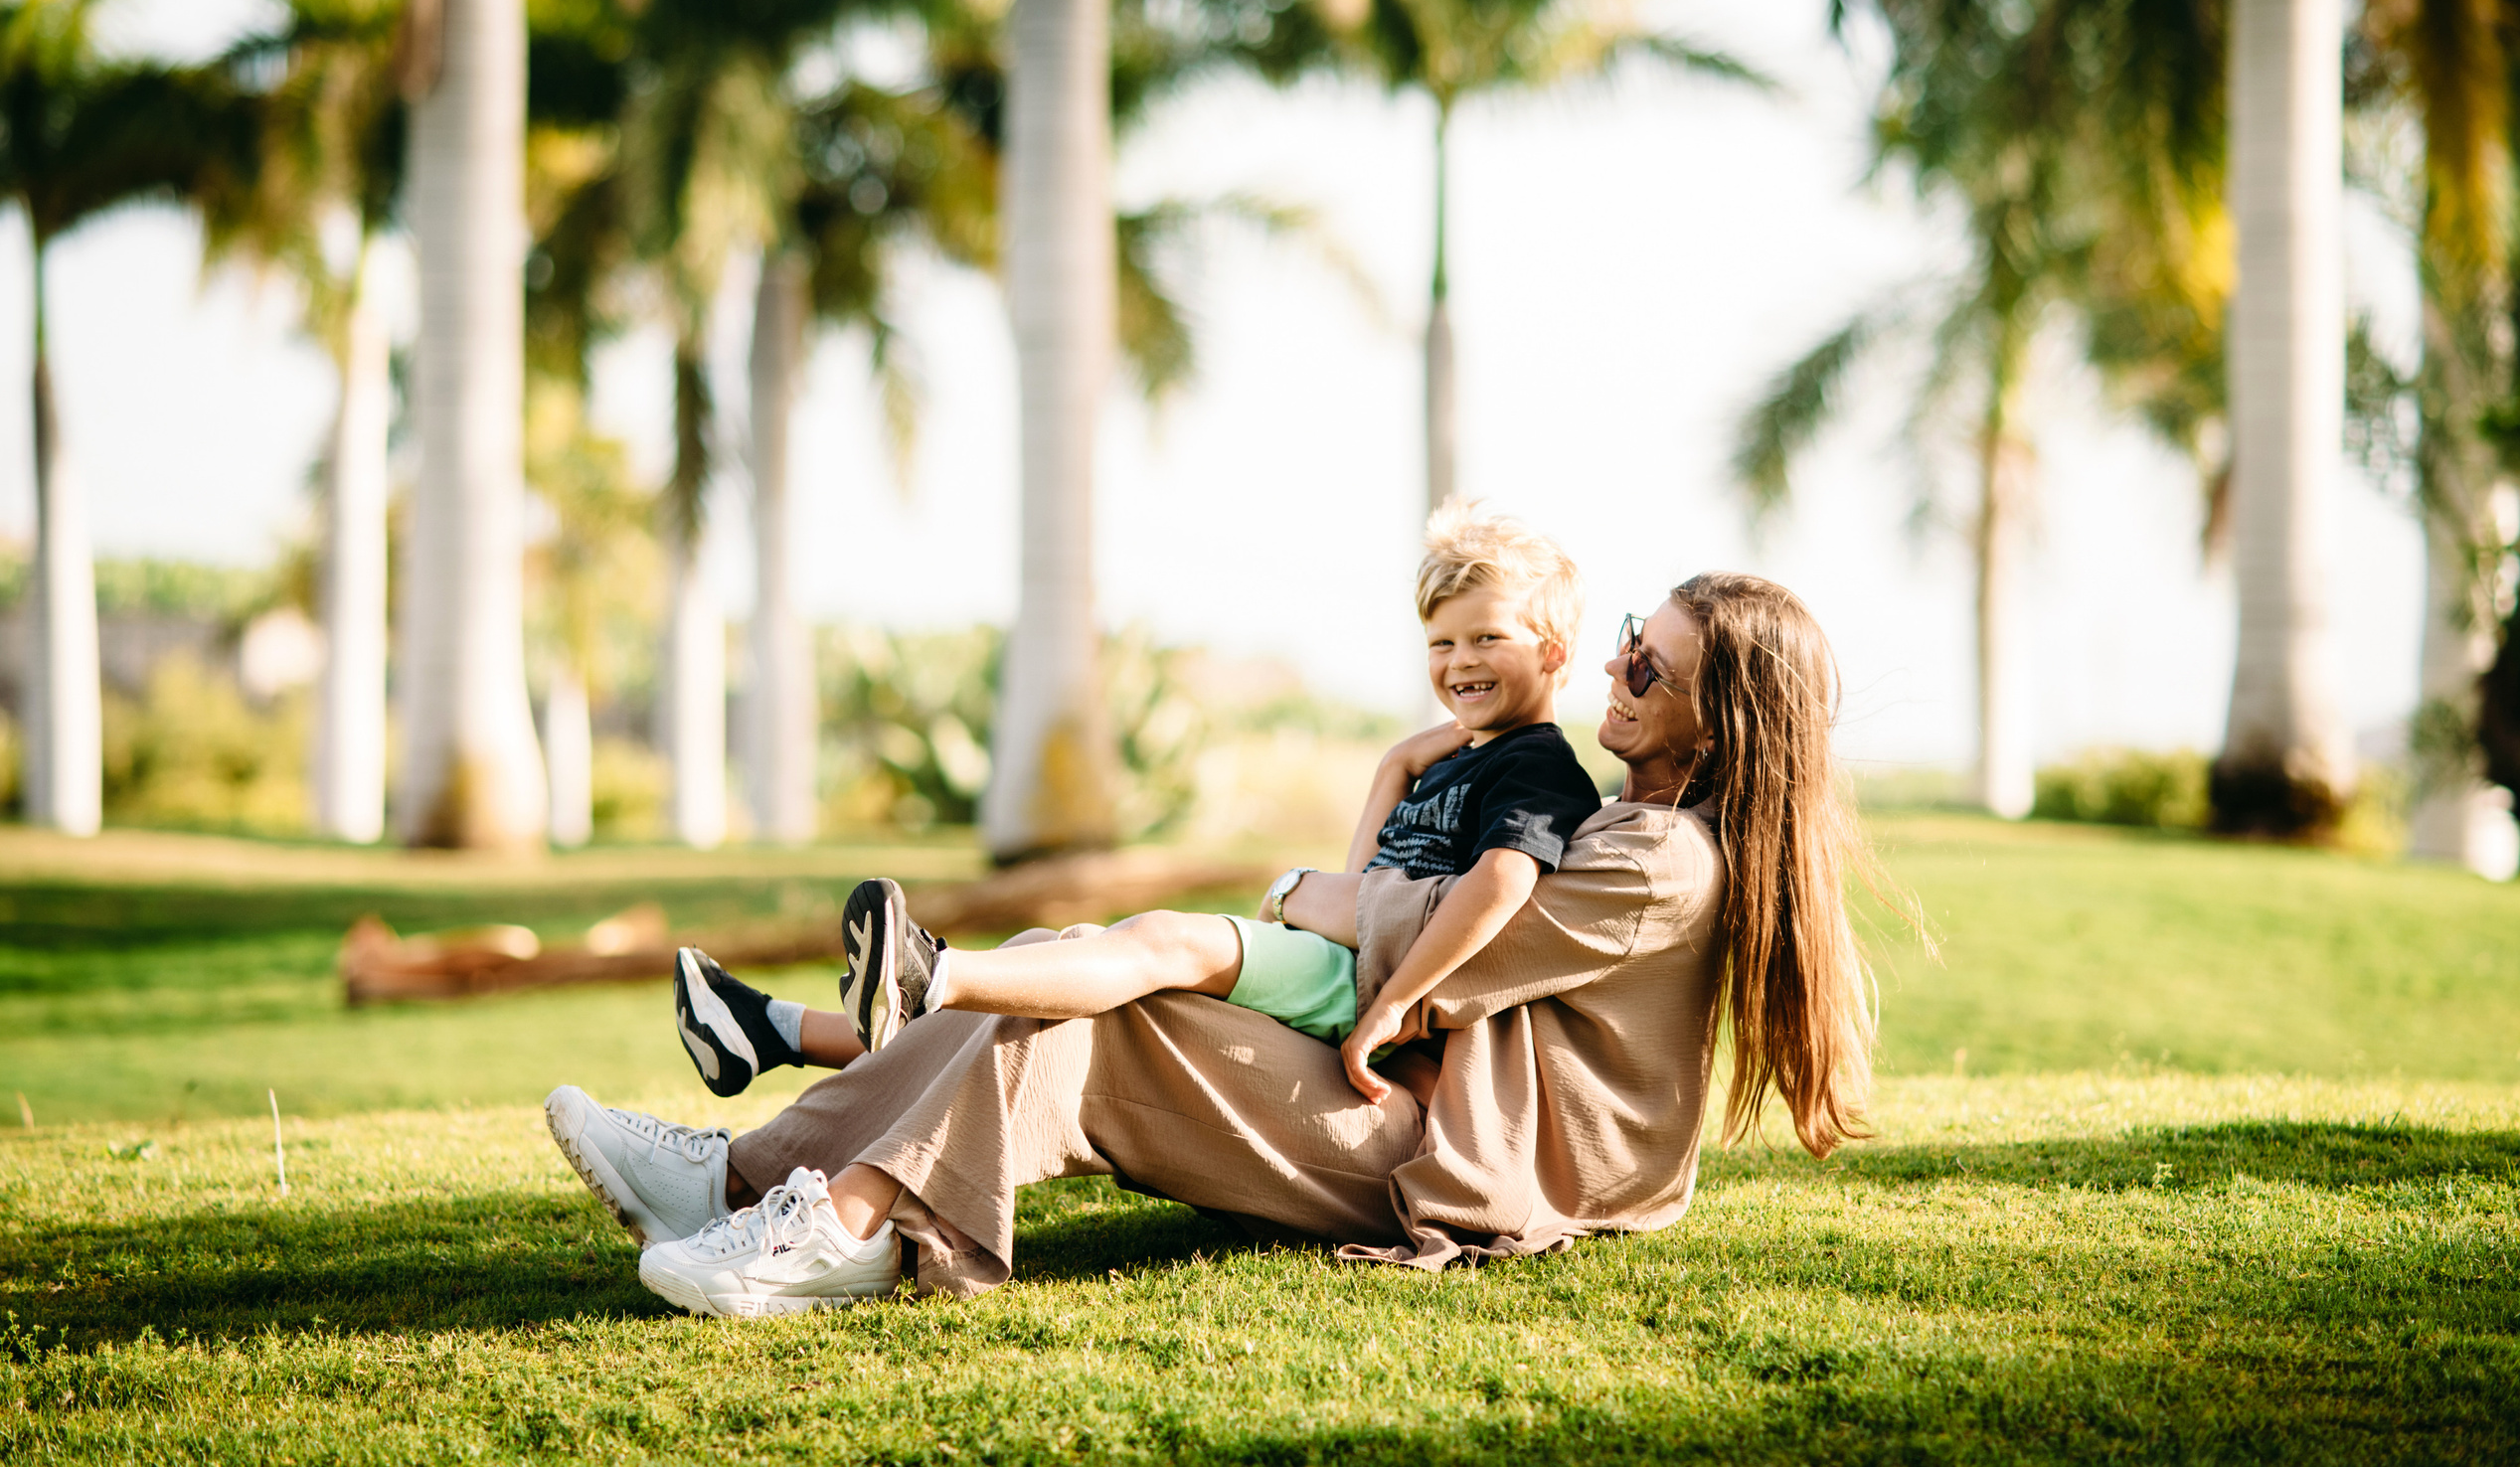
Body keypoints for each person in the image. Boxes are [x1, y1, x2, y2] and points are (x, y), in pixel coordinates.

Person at [545, 572, 1906, 1318]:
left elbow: (1423, 946)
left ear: (1720, 721)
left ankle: (839, 1228)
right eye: (1625, 642)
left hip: (1455, 1153)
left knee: (1105, 1008)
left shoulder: (1664, 857)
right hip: (1421, 1100)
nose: (1617, 669)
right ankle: (743, 1173)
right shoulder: (1631, 818)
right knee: (1081, 958)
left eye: (1648, 667)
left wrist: (1308, 887)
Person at [671, 500, 1602, 1104]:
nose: (1459, 662)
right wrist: (1395, 762)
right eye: (1441, 644)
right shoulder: (1444, 761)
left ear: (1555, 650)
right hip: (1330, 959)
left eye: (1487, 638)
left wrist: (1393, 1006)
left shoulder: (1538, 769)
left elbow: (1497, 888)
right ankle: (772, 1031)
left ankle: (933, 976)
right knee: (1069, 959)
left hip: (1353, 985)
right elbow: (1361, 884)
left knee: (1158, 938)